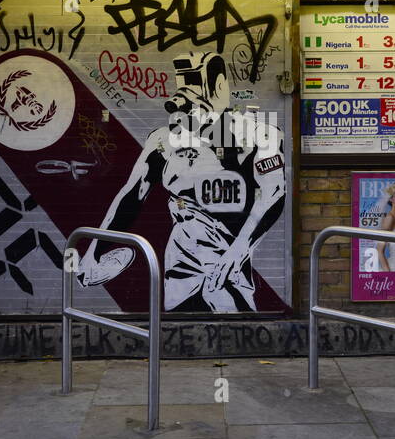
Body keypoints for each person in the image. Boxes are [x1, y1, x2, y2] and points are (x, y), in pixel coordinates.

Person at [77, 51, 286, 312]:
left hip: (226, 255)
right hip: (181, 258)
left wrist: (239, 249)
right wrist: (95, 249)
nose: (187, 92)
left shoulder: (257, 133)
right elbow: (131, 196)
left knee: (233, 321)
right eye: (183, 82)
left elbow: (274, 193)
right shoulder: (164, 140)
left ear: (219, 85)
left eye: (195, 82)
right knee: (179, 322)